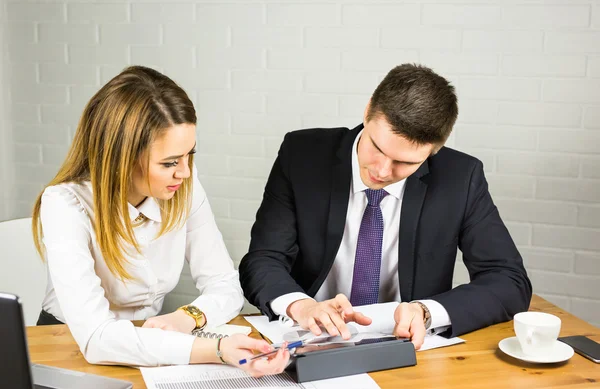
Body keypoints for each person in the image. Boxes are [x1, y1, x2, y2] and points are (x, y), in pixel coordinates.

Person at [239, 63, 532, 350]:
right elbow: (263, 259)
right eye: (376, 148)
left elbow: (508, 280)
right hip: (312, 341)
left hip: (407, 348)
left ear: (433, 150)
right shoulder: (302, 154)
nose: (381, 171)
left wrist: (426, 311)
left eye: (405, 163)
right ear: (368, 112)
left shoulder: (461, 178)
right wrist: (300, 305)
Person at [31, 66, 289, 374]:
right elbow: (98, 337)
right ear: (122, 158)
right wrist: (217, 349)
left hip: (153, 346)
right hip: (66, 348)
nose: (185, 172)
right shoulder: (65, 204)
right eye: (169, 163)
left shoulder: (183, 187)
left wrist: (188, 317)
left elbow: (225, 284)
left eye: (189, 155)